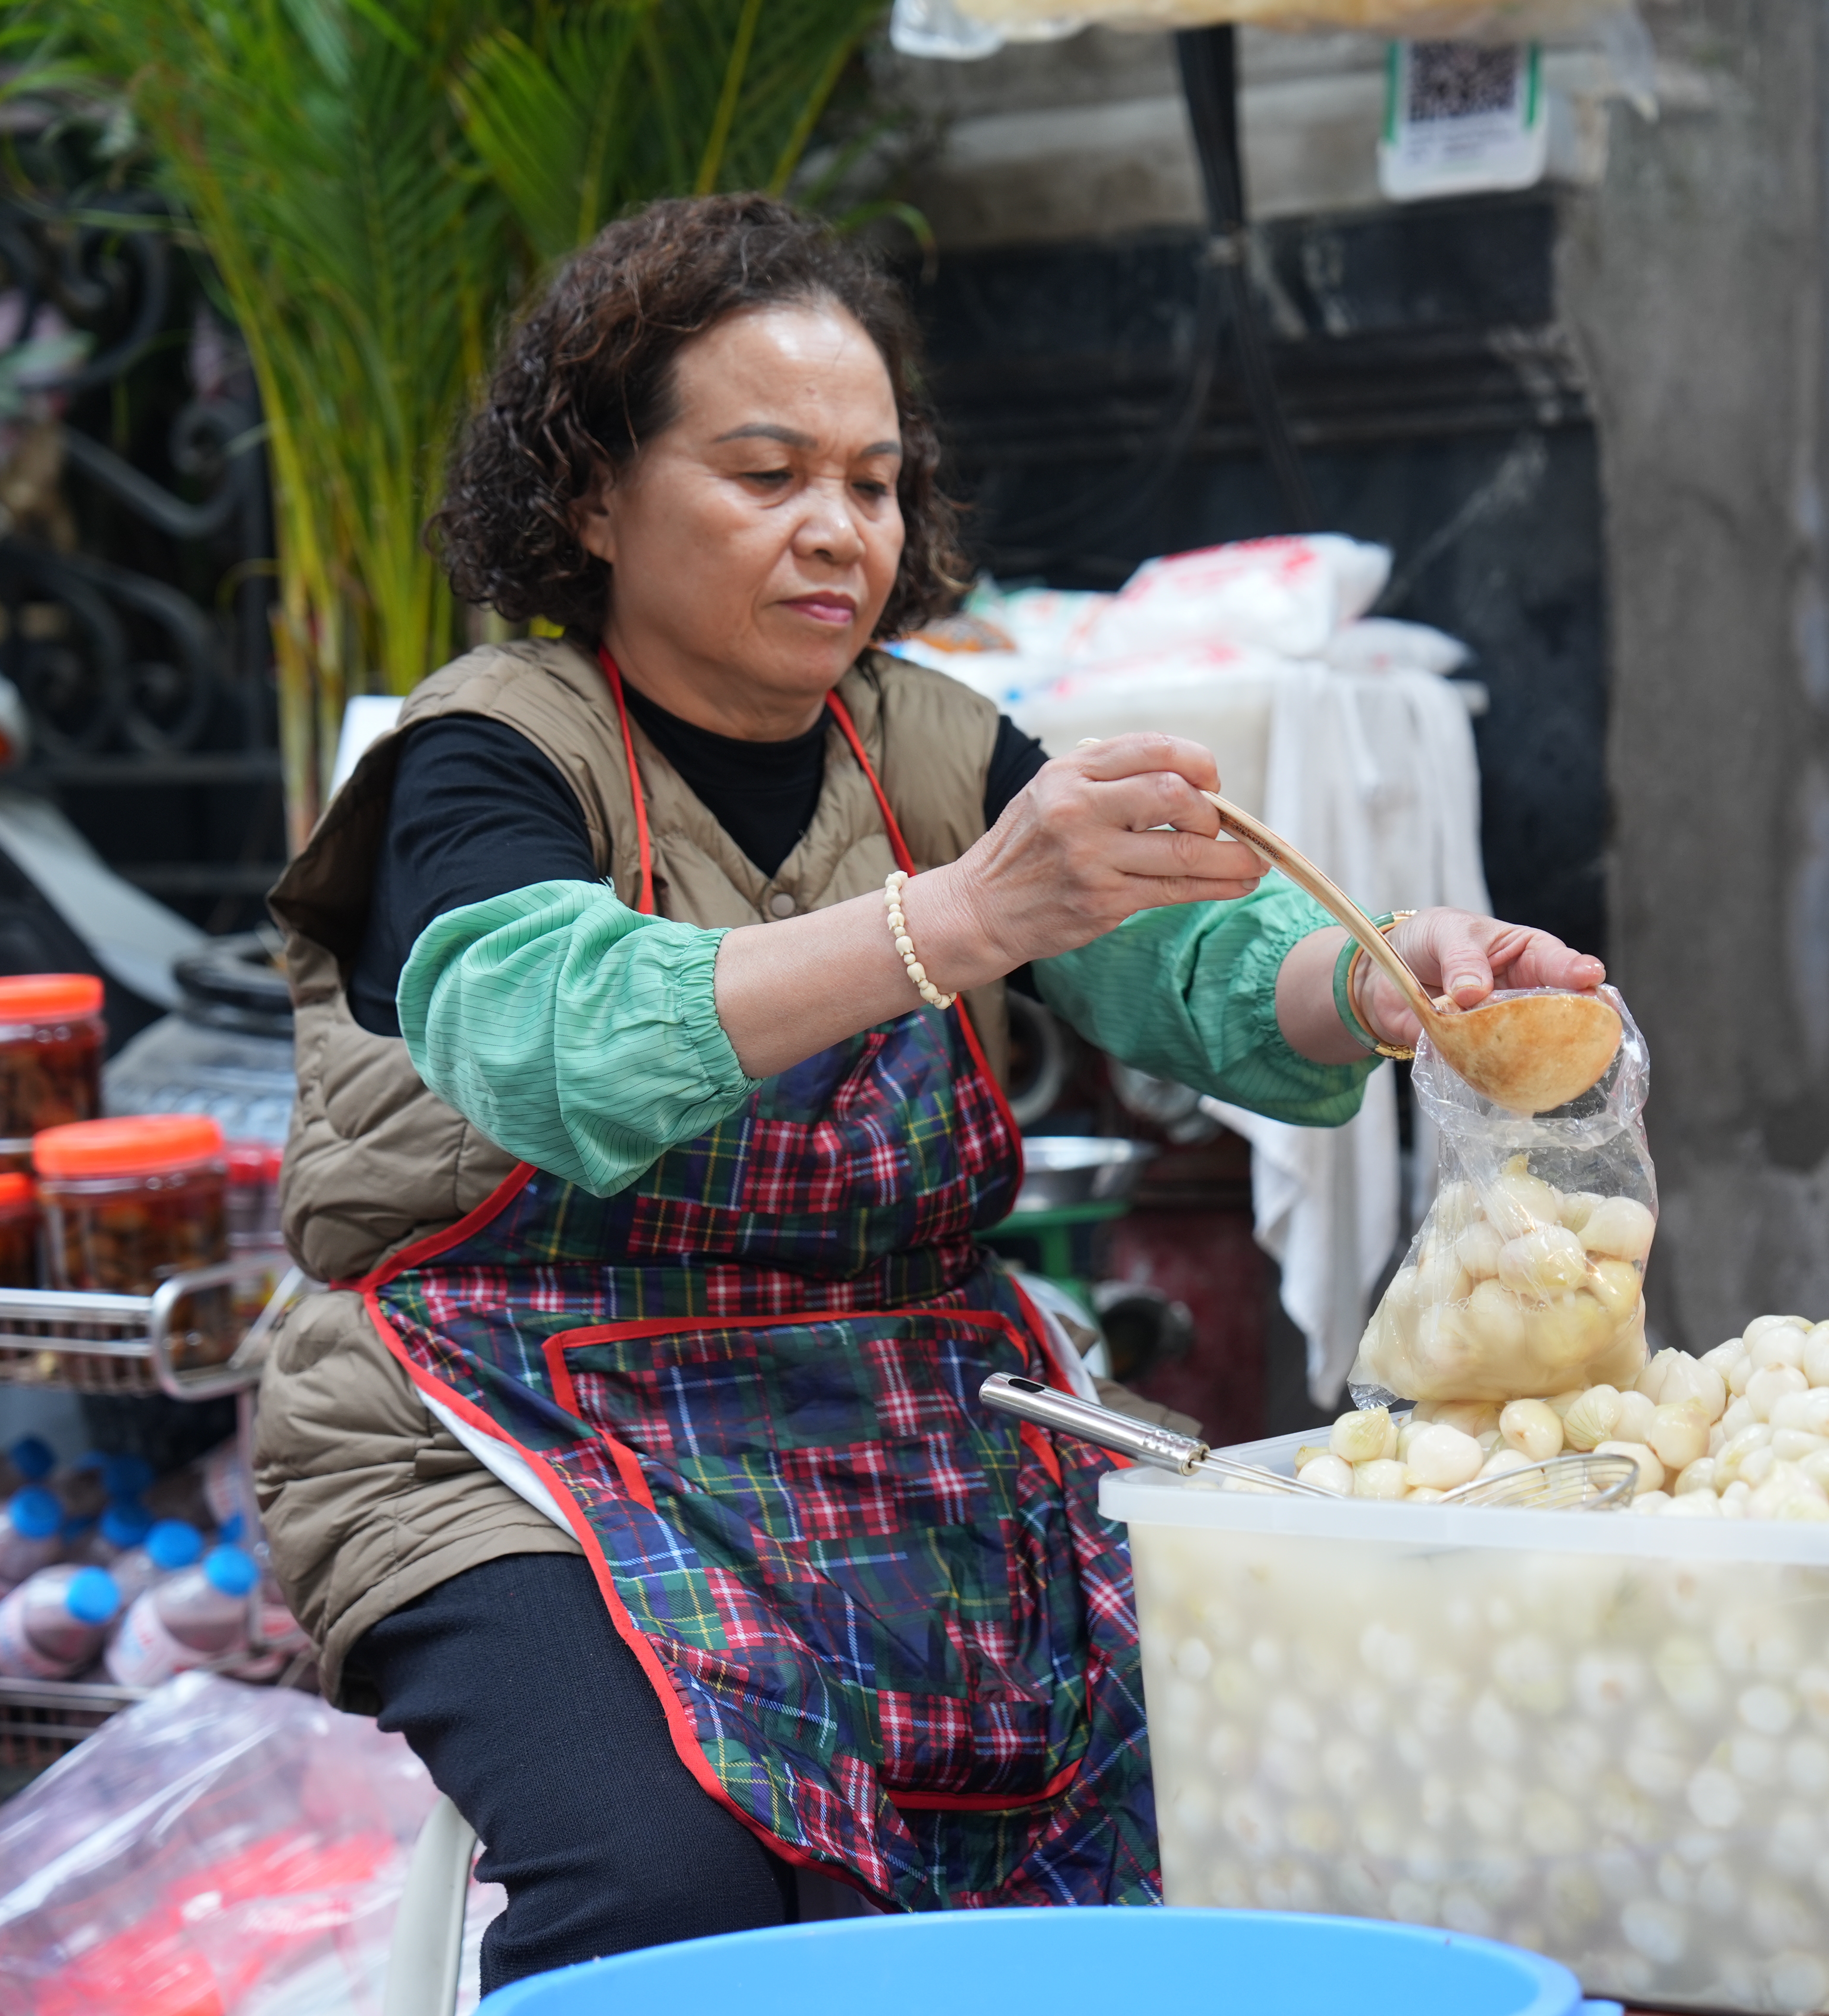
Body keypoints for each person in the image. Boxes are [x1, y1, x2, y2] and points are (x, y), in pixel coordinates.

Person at [253, 192, 1607, 1993]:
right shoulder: (491, 755)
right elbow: (557, 1041)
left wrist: (1384, 980)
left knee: (1244, 1763)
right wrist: (962, 914)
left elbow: (1195, 969)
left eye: (874, 484)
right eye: (766, 474)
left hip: (890, 1405)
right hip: (488, 1415)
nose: (839, 532)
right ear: (594, 497)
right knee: (672, 1888)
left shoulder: (934, 743)